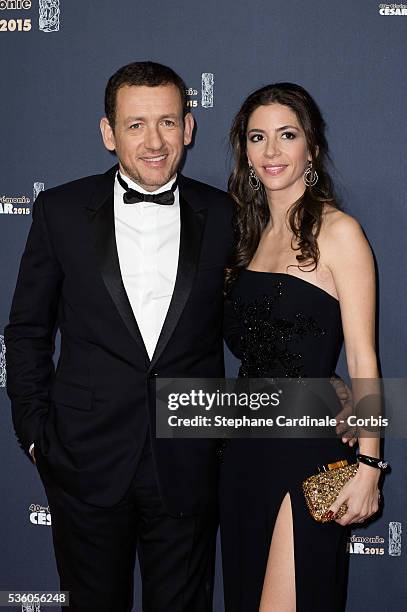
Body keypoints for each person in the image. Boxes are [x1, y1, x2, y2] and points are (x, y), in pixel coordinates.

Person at [5, 61, 234, 612]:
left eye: (168, 122)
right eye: (135, 125)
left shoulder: (225, 213)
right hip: (84, 459)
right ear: (108, 132)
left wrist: (333, 403)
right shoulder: (59, 210)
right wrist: (36, 433)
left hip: (187, 459)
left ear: (189, 127)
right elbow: (27, 330)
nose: (154, 141)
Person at [220, 83, 384, 612]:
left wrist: (369, 467)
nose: (271, 152)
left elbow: (363, 360)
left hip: (307, 450)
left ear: (310, 148)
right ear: (244, 151)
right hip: (243, 450)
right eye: (257, 137)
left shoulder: (340, 233)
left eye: (286, 136)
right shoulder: (246, 237)